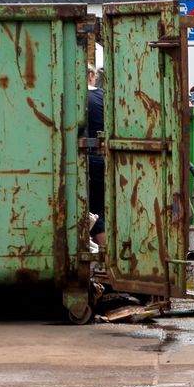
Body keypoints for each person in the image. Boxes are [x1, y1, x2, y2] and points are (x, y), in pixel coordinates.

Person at [86, 64, 106, 250]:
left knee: (90, 208)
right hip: (101, 157)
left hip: (81, 159)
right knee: (99, 209)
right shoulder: (103, 97)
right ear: (91, 76)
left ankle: (102, 251)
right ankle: (106, 255)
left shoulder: (72, 97)